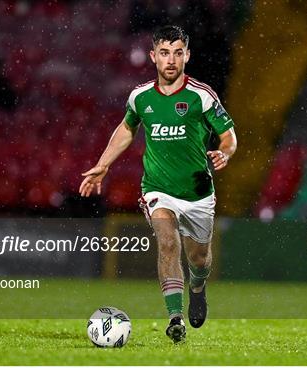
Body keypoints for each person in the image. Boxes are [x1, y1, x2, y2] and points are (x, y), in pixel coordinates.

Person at [80, 25, 237, 343]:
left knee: (199, 259)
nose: (171, 60)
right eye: (164, 53)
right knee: (167, 242)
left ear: (187, 56)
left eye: (178, 52)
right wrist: (103, 164)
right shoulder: (140, 97)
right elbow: (126, 129)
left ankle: (198, 287)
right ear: (153, 56)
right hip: (157, 188)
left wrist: (225, 153)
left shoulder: (201, 96)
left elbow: (228, 136)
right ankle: (175, 317)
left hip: (197, 192)